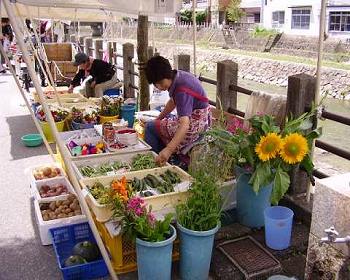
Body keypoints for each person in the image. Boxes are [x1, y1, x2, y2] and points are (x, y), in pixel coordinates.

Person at [144, 56, 211, 166]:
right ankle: (170, 157)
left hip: (195, 126)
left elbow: (185, 125)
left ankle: (158, 162)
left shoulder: (181, 91)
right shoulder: (177, 75)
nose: (159, 87)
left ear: (161, 79)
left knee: (150, 127)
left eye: (159, 83)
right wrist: (159, 118)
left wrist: (168, 150)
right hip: (202, 119)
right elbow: (172, 102)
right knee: (158, 121)